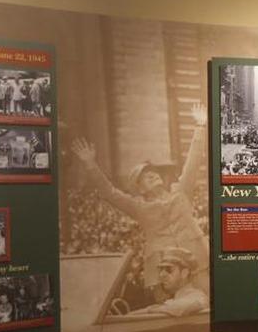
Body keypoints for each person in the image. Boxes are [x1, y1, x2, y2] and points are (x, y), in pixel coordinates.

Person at [70, 104, 209, 300]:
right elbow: (109, 192)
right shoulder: (138, 207)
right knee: (167, 312)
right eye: (146, 177)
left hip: (197, 262)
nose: (152, 175)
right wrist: (90, 164)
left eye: (153, 173)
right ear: (140, 188)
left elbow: (192, 163)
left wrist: (200, 126)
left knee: (207, 305)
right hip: (163, 269)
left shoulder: (181, 192)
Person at [129, 247, 208, 317]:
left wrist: (151, 310)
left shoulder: (197, 296)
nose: (162, 275)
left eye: (169, 269)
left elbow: (184, 306)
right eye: (161, 269)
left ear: (184, 273)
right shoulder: (176, 299)